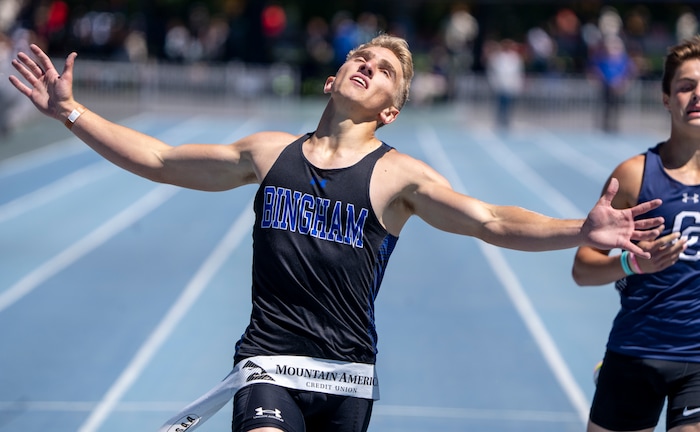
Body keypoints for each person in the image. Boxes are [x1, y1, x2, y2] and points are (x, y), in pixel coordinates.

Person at [10, 34, 664, 432]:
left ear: (390, 109)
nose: (368, 66)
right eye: (362, 56)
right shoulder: (268, 153)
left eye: (383, 70)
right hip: (267, 363)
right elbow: (156, 159)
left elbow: (492, 220)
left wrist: (582, 228)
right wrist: (70, 110)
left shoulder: (398, 177)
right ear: (332, 78)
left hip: (348, 379)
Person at [572, 36, 700, 432]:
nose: (697, 95)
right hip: (637, 352)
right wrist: (632, 262)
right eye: (685, 86)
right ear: (666, 98)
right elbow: (583, 269)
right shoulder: (634, 175)